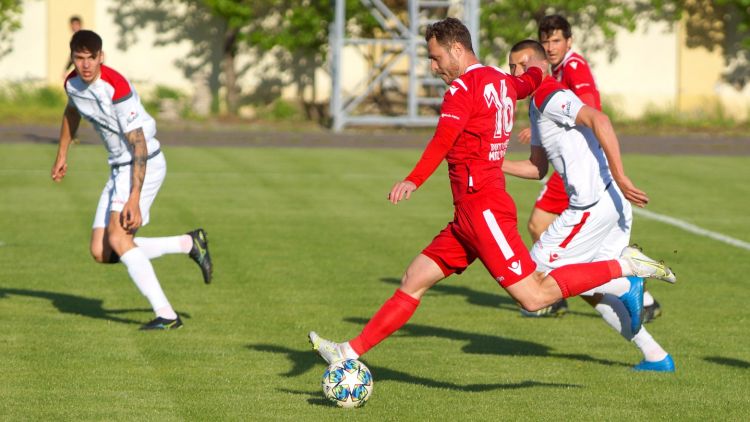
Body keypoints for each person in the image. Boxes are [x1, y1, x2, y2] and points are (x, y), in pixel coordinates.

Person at [308, 18, 675, 368]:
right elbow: (528, 81)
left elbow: (442, 141)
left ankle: (625, 266)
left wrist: (413, 180)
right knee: (414, 278)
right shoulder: (500, 82)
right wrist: (537, 69)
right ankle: (347, 352)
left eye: (435, 58)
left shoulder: (462, 89)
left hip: (483, 209)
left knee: (534, 297)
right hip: (467, 216)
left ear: (456, 49)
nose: (434, 67)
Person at [504, 39, 674, 371]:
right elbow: (537, 168)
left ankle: (627, 275)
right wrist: (492, 163)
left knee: (534, 280)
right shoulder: (536, 104)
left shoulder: (548, 94)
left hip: (593, 208)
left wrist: (623, 177)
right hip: (609, 205)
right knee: (586, 286)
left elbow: (600, 120)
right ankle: (656, 356)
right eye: (511, 67)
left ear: (539, 66)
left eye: (521, 66)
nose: (515, 73)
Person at [51, 30, 213, 330]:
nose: (85, 65)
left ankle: (166, 315)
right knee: (101, 252)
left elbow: (139, 144)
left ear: (102, 57)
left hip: (143, 163)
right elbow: (72, 112)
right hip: (118, 167)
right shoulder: (72, 84)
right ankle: (188, 244)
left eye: (91, 58)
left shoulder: (116, 87)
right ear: (72, 58)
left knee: (119, 237)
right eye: (79, 58)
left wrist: (134, 199)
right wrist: (63, 154)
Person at [516, 15, 661, 320]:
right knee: (593, 258)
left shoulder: (572, 66)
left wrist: (612, 170)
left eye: (556, 40)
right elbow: (538, 161)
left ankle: (553, 293)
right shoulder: (548, 81)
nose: (551, 46)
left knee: (539, 234)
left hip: (587, 171)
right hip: (584, 172)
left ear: (568, 42)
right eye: (546, 40)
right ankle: (644, 316)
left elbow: (592, 112)